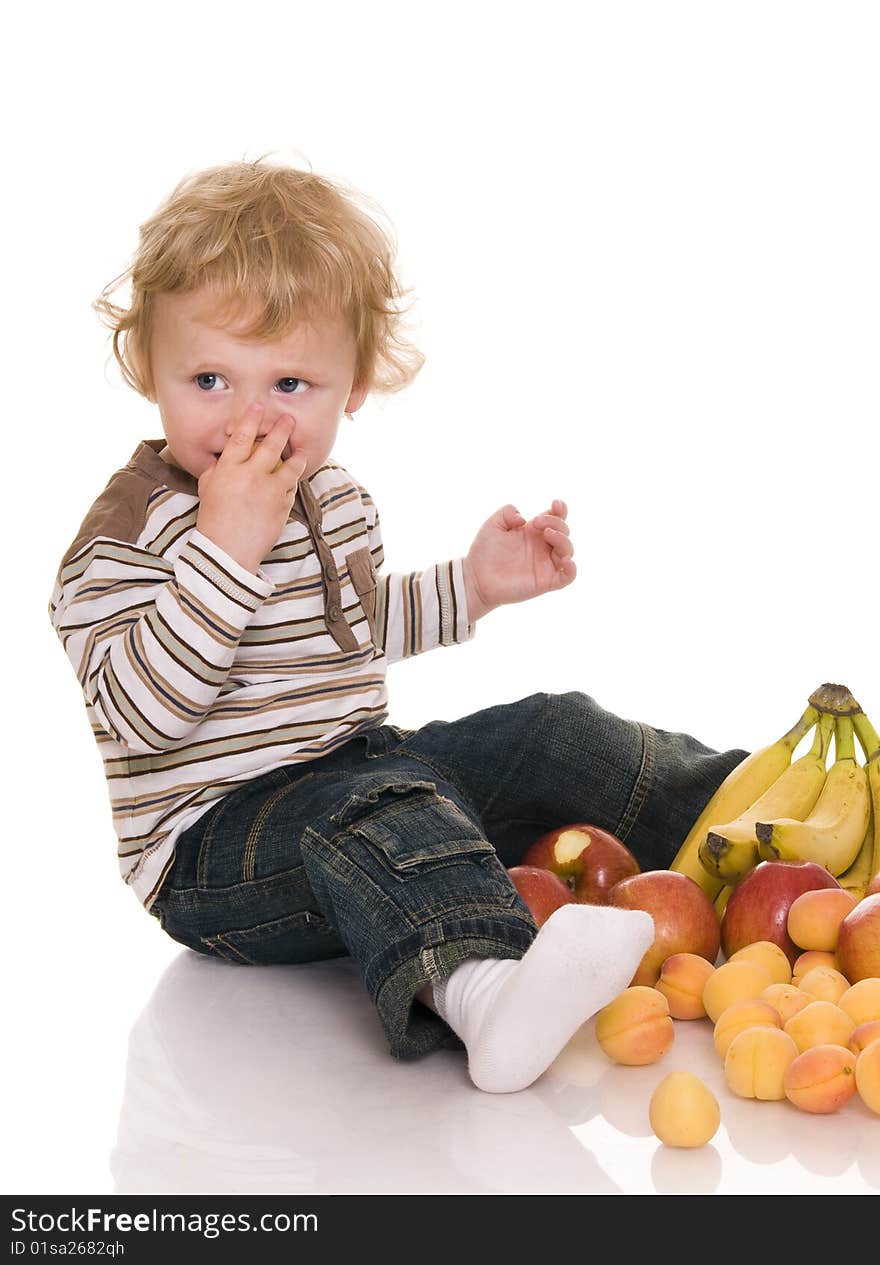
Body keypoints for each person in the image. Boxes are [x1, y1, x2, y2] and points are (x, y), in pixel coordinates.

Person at [49, 157, 747, 1094]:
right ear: (149, 370)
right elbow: (140, 718)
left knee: (552, 730)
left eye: (291, 384)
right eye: (210, 378)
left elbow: (356, 631)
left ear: (356, 384)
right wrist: (224, 551)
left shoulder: (332, 499)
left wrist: (475, 584)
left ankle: (761, 832)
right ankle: (487, 992)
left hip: (362, 767)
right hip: (213, 849)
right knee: (383, 811)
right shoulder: (124, 538)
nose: (249, 419)